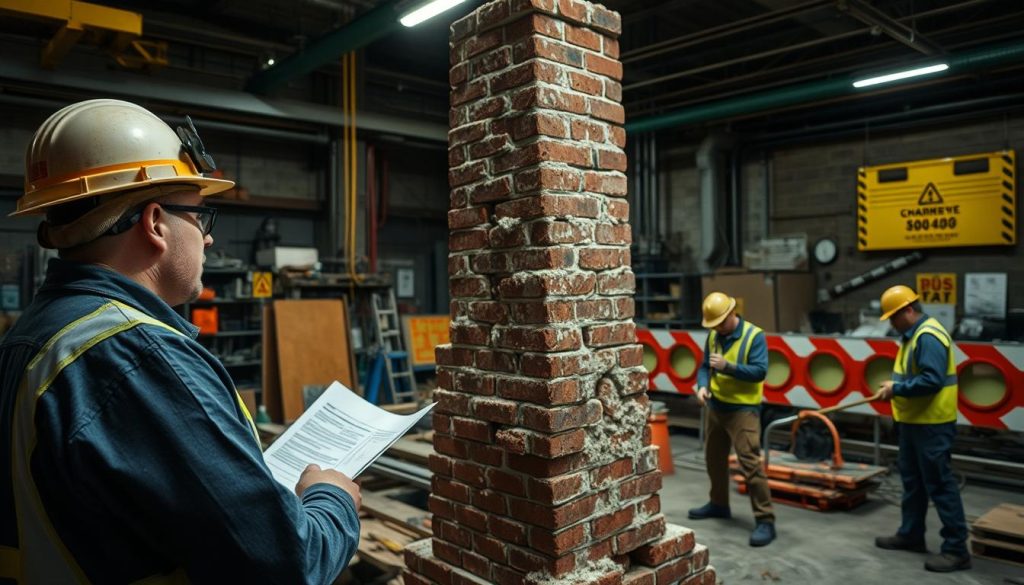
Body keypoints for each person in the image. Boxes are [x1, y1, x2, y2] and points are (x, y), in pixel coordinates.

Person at [0, 99, 361, 583]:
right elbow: (287, 566)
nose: (208, 238)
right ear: (154, 223)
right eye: (198, 216)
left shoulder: (35, 334)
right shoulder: (136, 357)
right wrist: (330, 496)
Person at [875, 285, 970, 573]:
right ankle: (911, 534)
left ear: (908, 310)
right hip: (915, 423)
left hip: (932, 425)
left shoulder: (928, 336)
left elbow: (932, 381)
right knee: (913, 483)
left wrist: (896, 389)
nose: (891, 323)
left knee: (940, 486)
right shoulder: (912, 336)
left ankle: (956, 550)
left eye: (894, 317)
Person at [687, 292, 776, 547]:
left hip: (743, 411)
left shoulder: (754, 336)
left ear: (731, 314)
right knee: (714, 459)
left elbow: (760, 372)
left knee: (750, 464)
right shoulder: (715, 334)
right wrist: (702, 386)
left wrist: (729, 367)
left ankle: (765, 520)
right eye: (712, 324)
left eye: (719, 323)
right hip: (716, 406)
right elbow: (705, 367)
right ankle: (718, 504)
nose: (716, 328)